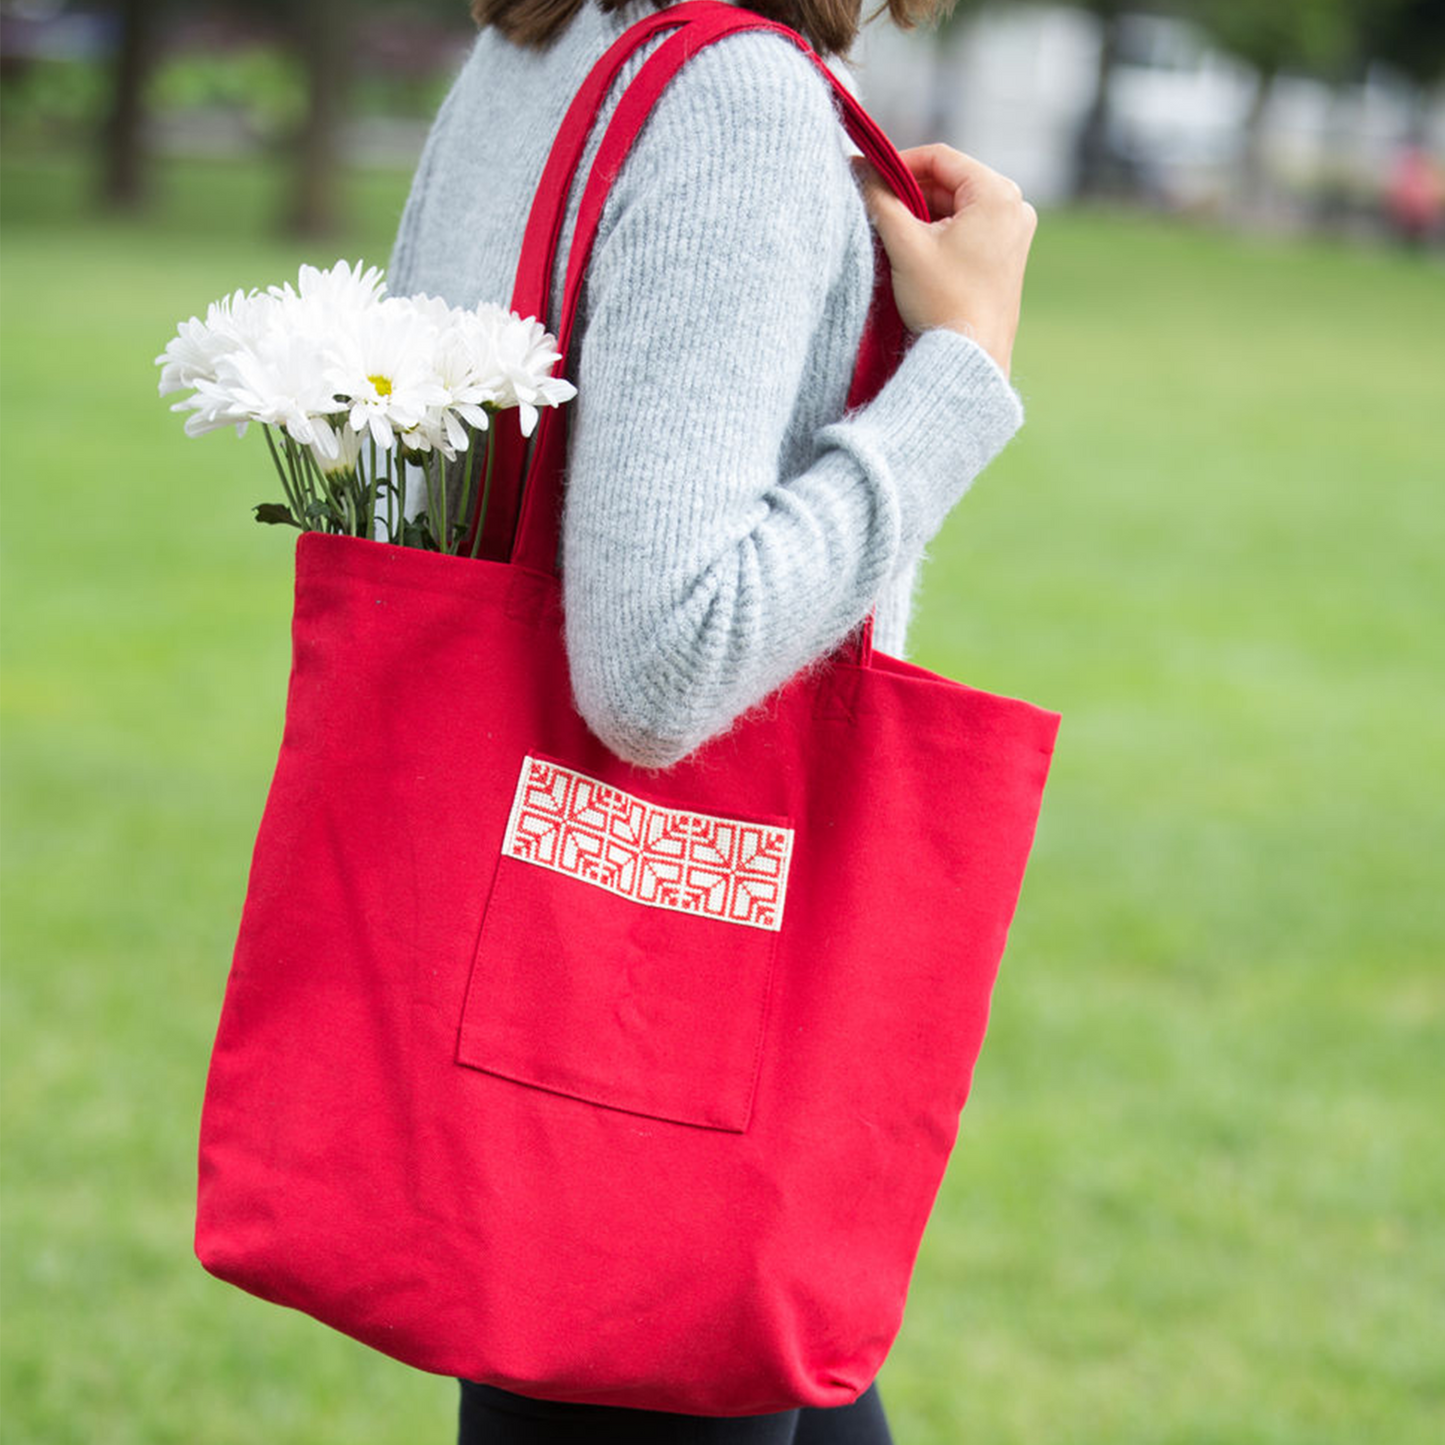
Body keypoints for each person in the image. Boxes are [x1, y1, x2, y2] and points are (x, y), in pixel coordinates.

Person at [387, 0, 1037, 1438]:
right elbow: (661, 665)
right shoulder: (736, 99)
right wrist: (962, 377)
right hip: (656, 1030)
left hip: (532, 968)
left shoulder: (537, 49)